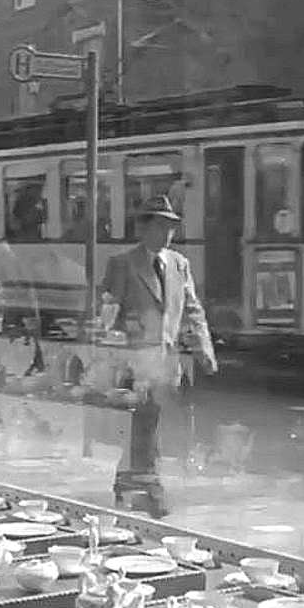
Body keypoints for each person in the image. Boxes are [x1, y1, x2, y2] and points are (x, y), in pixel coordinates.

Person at [101, 194, 217, 518]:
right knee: (143, 421)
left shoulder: (180, 264)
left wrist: (203, 348)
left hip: (167, 360)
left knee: (155, 424)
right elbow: (108, 312)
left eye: (171, 227)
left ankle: (132, 483)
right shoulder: (122, 264)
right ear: (144, 228)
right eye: (161, 226)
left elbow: (192, 311)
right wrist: (123, 337)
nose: (167, 234)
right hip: (135, 362)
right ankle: (148, 488)